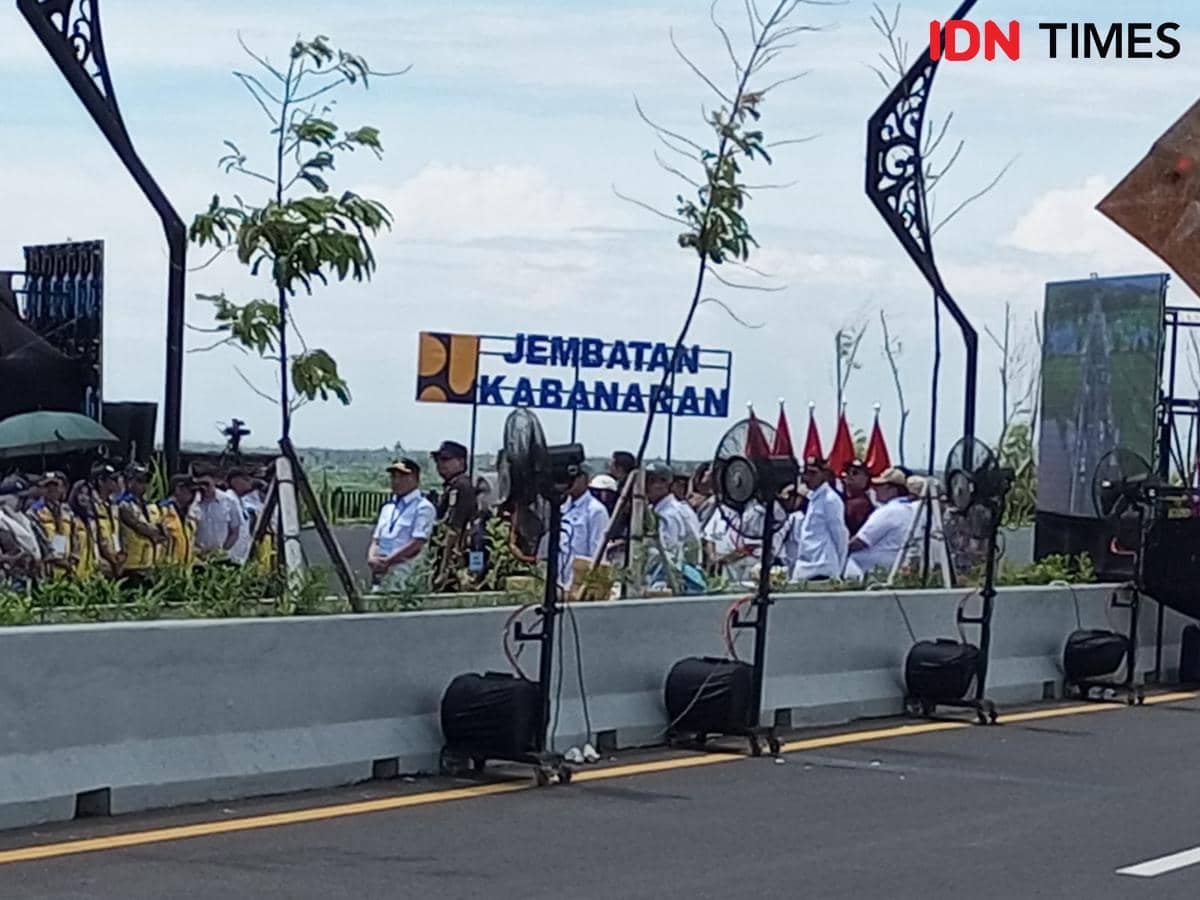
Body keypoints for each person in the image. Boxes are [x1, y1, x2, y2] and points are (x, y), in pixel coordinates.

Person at [368, 458, 436, 593]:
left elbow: (417, 542)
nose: (396, 481)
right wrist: (372, 558)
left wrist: (388, 561)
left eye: (403, 477)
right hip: (381, 572)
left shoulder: (423, 507)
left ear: (415, 479)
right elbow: (376, 539)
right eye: (393, 477)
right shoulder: (387, 508)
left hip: (404, 573)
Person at [846, 468, 916, 580]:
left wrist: (839, 549)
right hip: (900, 565)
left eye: (880, 486)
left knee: (849, 558)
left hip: (877, 570)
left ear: (893, 489)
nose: (875, 489)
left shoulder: (887, 511)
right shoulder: (911, 509)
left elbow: (860, 542)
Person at [644, 462, 703, 591]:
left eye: (652, 481)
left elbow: (669, 551)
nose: (646, 487)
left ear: (664, 484)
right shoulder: (657, 509)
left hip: (669, 579)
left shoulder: (669, 513)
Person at [790, 456, 849, 581]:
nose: (807, 478)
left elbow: (840, 535)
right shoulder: (813, 499)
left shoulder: (830, 500)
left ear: (824, 474)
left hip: (823, 568)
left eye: (813, 473)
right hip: (806, 567)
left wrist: (839, 566)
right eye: (805, 473)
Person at [431, 441, 477, 591]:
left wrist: (443, 570)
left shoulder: (461, 486)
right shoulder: (452, 486)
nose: (440, 464)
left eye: (445, 459)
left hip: (458, 557)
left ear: (461, 461)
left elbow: (454, 529)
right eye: (438, 460)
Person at [560, 465, 610, 587]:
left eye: (575, 477)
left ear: (586, 479)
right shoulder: (562, 507)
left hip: (579, 583)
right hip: (560, 581)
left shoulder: (595, 510)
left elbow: (597, 551)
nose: (570, 481)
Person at [118, 464, 166, 584]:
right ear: (129, 481)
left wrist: (160, 531)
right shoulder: (123, 504)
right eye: (139, 481)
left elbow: (163, 528)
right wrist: (156, 532)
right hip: (131, 564)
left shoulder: (149, 505)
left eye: (146, 481)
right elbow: (139, 526)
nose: (143, 485)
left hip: (150, 562)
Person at [191, 463, 241, 559]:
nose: (204, 488)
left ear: (215, 481)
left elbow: (235, 532)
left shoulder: (229, 501)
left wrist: (222, 551)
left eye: (206, 484)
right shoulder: (192, 504)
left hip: (221, 557)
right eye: (200, 485)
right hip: (197, 558)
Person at [29, 472, 75, 576]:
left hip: (68, 566)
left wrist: (74, 557)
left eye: (55, 486)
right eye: (47, 486)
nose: (52, 489)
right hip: (48, 567)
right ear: (40, 489)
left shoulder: (67, 511)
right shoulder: (34, 512)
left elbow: (74, 534)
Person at [91, 463, 124, 578]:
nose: (117, 482)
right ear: (101, 481)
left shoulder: (114, 505)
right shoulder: (92, 506)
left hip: (116, 559)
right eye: (113, 479)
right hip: (100, 562)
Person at [159, 475, 199, 568]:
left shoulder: (189, 513)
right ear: (178, 489)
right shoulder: (162, 511)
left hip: (185, 567)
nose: (193, 496)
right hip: (167, 567)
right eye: (191, 491)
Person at [67, 480, 100, 579]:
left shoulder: (90, 519)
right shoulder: (68, 516)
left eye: (87, 494)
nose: (84, 497)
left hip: (89, 571)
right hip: (73, 571)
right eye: (81, 493)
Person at [842, 460, 875, 536]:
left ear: (866, 478)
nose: (850, 475)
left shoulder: (862, 503)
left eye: (855, 473)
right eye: (847, 471)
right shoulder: (840, 497)